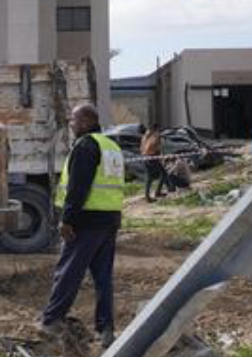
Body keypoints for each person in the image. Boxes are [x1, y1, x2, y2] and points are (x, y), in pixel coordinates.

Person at [40, 104, 125, 347]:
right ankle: (105, 328)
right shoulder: (112, 147)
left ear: (87, 121)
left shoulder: (86, 146)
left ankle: (51, 320)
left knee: (68, 272)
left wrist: (67, 220)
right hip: (109, 220)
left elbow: (79, 187)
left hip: (86, 222)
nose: (71, 124)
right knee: (102, 277)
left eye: (75, 120)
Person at [140, 125, 167, 202]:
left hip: (145, 157)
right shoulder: (155, 135)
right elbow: (154, 147)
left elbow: (142, 148)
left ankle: (151, 195)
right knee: (162, 174)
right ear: (156, 129)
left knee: (151, 177)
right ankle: (152, 195)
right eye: (159, 130)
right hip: (151, 157)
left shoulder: (145, 136)